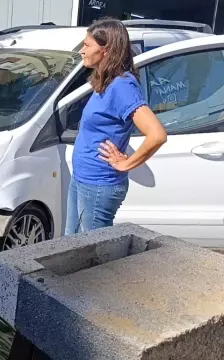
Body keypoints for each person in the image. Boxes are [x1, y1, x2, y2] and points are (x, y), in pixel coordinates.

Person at [64, 18, 167, 235]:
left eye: (87, 45)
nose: (82, 51)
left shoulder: (122, 86)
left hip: (98, 185)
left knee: (91, 257)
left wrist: (127, 163)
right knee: (69, 247)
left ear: (106, 50)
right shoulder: (106, 81)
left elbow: (157, 134)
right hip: (83, 178)